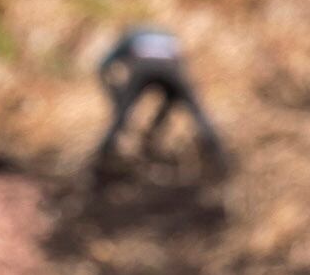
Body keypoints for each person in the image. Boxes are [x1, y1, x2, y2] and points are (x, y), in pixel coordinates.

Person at [93, 26, 227, 171]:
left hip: (142, 68)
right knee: (195, 110)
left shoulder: (133, 35)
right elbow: (180, 67)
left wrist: (117, 99)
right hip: (172, 69)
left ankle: (104, 156)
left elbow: (104, 66)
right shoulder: (168, 36)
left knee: (123, 116)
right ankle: (217, 152)